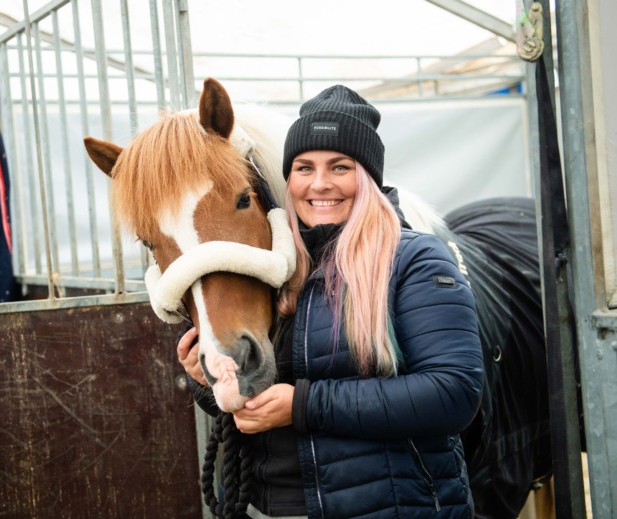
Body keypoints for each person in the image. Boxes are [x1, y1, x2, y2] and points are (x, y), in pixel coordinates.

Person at [178, 85, 484, 519]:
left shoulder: (414, 259)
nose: (319, 184)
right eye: (304, 167)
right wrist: (212, 381)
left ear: (368, 177)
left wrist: (303, 405)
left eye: (339, 167)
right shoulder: (273, 268)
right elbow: (261, 402)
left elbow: (453, 392)